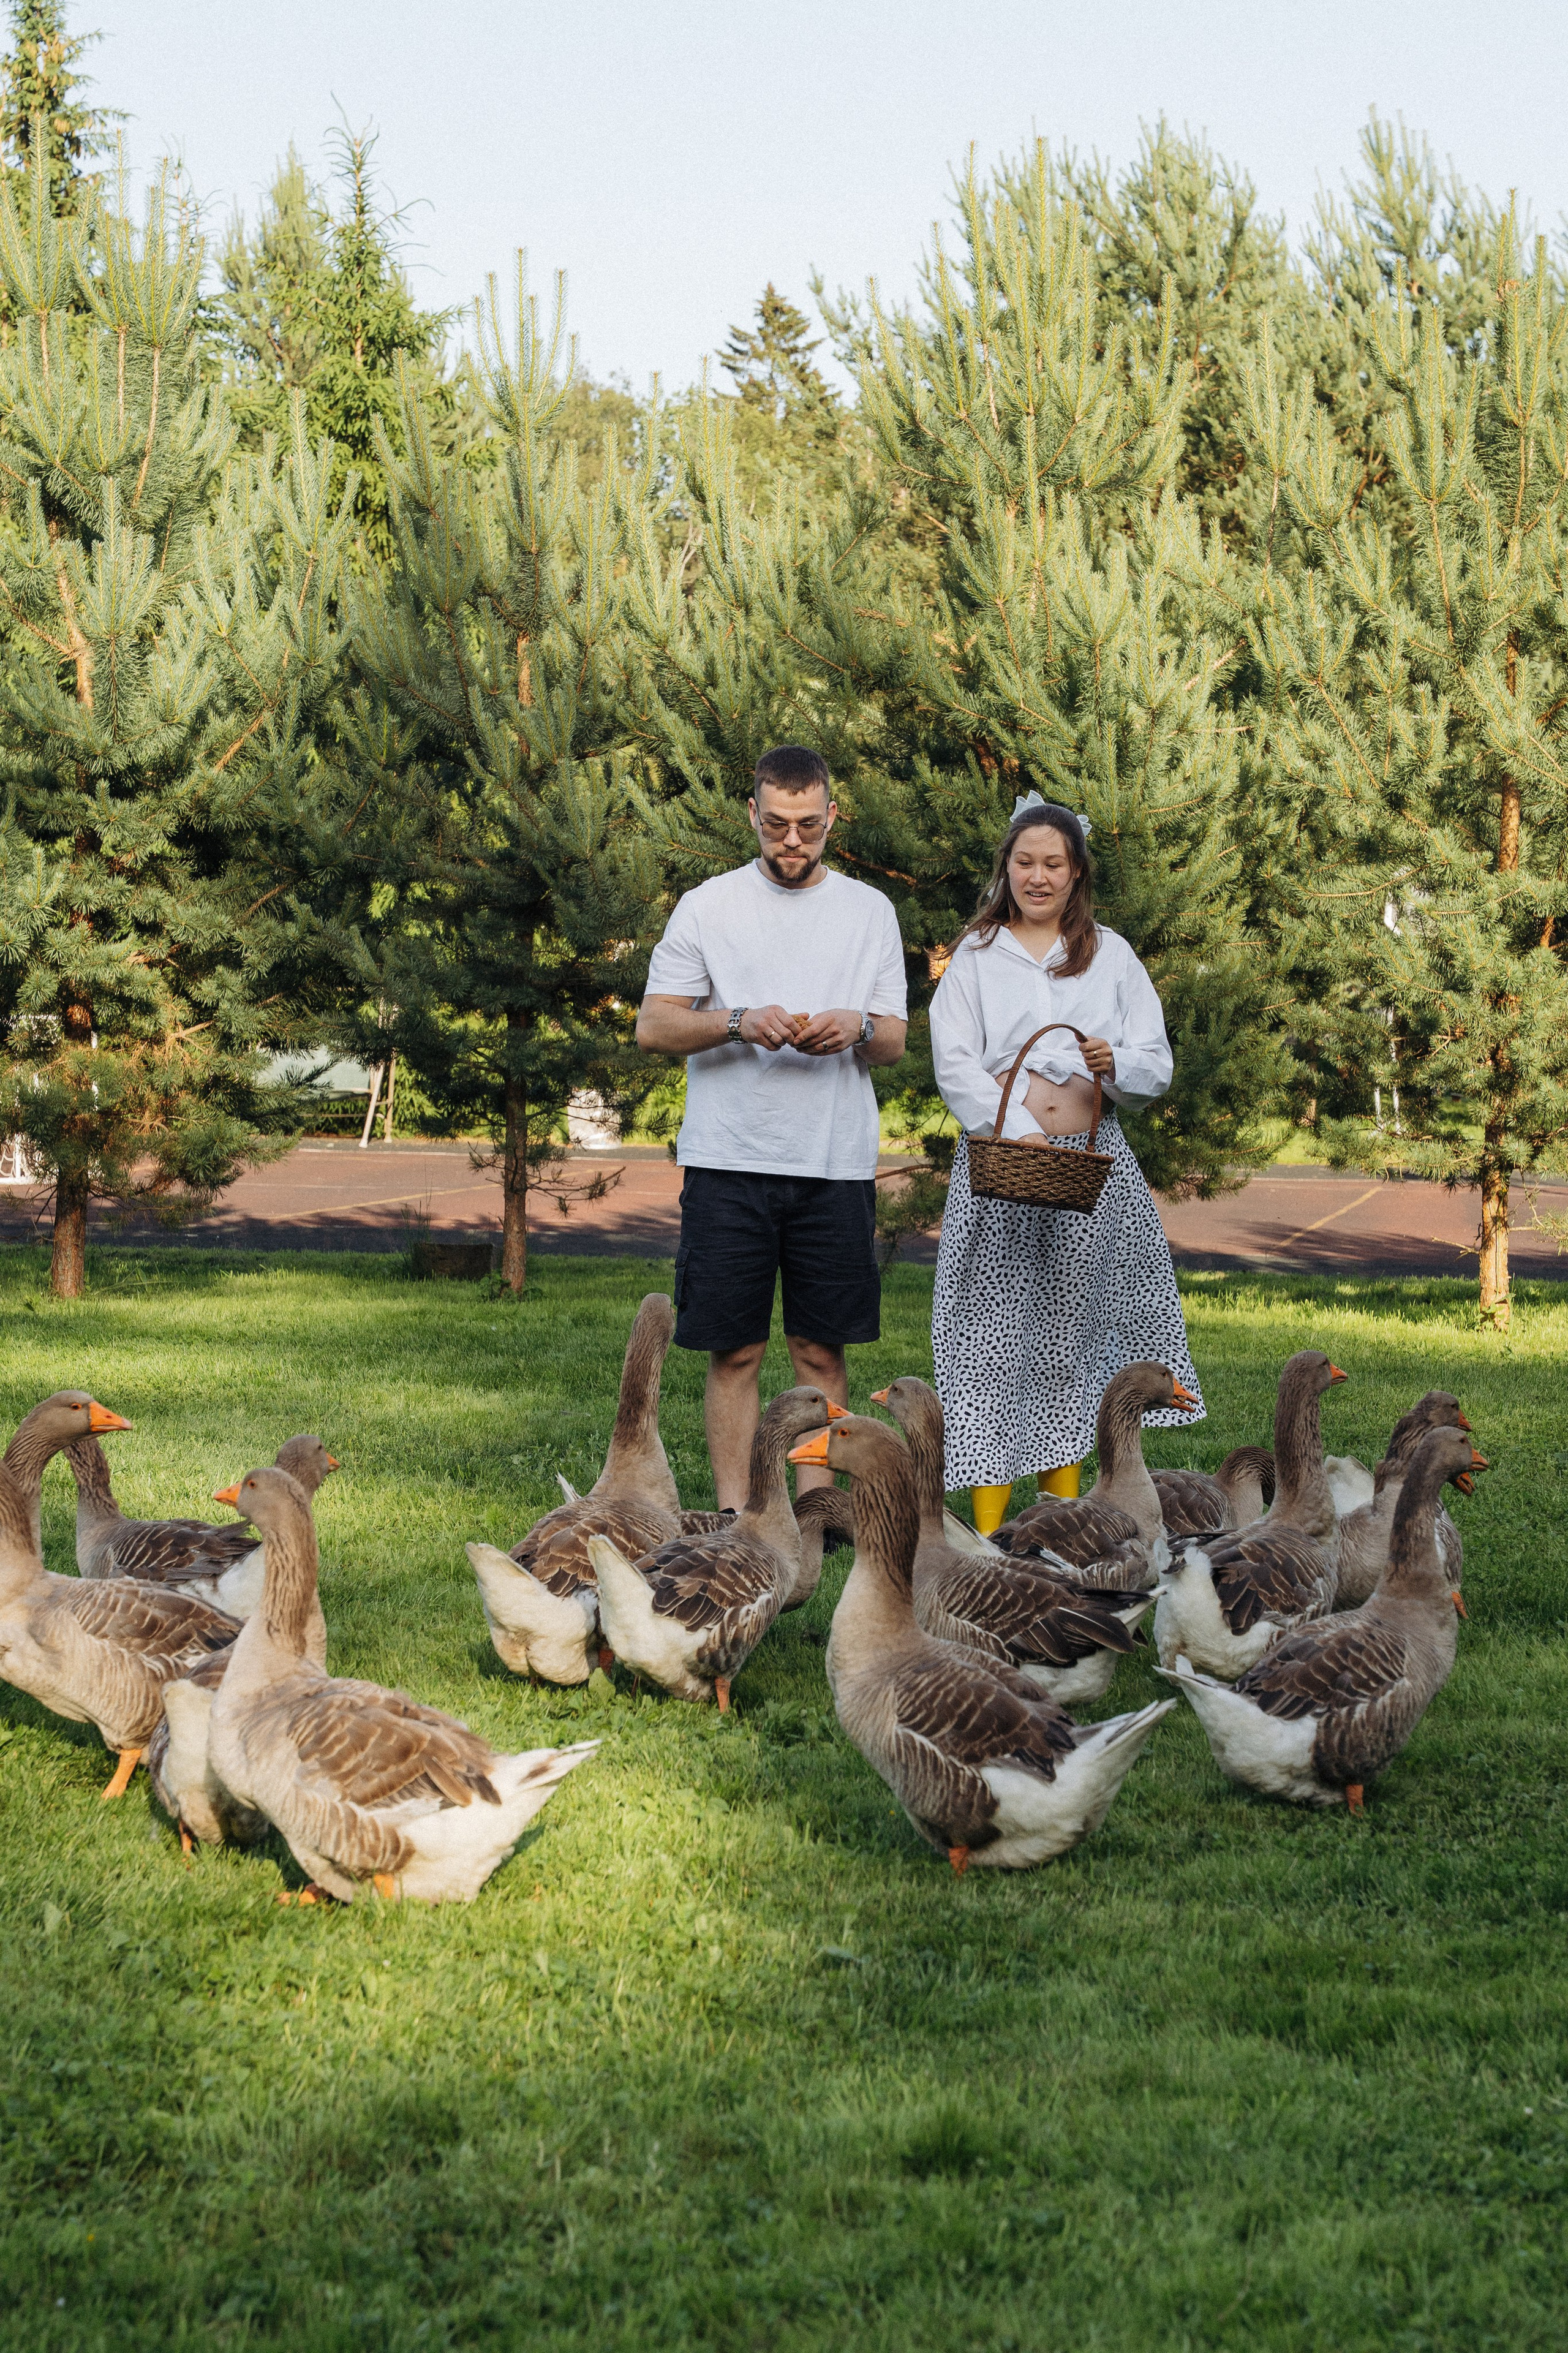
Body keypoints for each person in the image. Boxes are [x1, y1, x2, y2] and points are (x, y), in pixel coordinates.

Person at [636, 746, 908, 1508]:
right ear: (752, 815)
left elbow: (892, 1040)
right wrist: (735, 1021)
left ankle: (820, 1513)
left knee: (820, 1349)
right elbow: (653, 1026)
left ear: (833, 818)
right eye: (777, 826)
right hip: (729, 1160)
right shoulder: (708, 905)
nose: (793, 842)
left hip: (834, 1163)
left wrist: (856, 1026)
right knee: (737, 1350)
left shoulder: (869, 911)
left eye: (809, 827)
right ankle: (737, 1514)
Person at [929, 791, 1203, 1532]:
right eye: (1025, 862)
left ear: (1076, 873)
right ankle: (987, 1528)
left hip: (1090, 1170)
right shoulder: (977, 957)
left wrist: (1115, 1064)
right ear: (1006, 868)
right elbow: (954, 1061)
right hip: (1001, 1168)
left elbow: (1155, 1063)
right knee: (990, 1340)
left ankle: (1059, 1520)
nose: (1038, 877)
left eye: (1053, 863)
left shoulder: (1109, 955)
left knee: (1068, 1338)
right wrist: (1017, 1130)